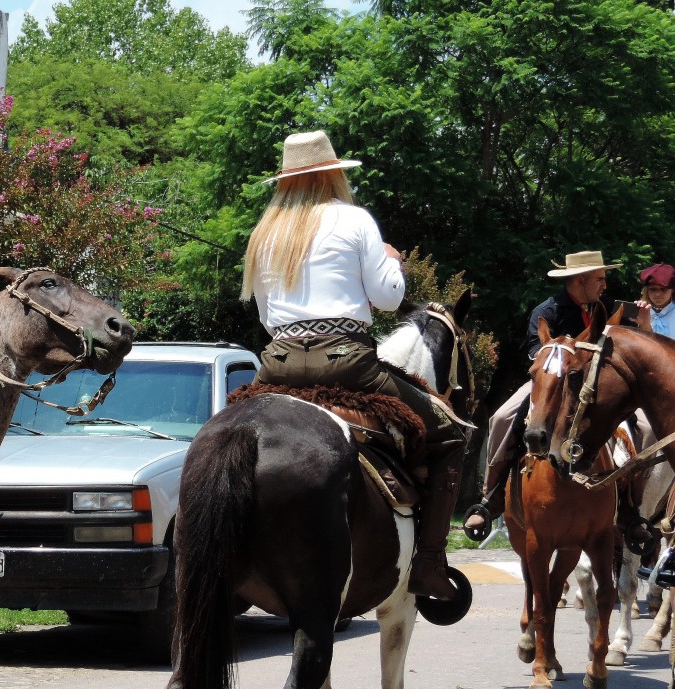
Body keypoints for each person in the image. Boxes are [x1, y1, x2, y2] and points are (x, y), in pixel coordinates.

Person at [241, 130, 469, 601]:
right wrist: (392, 264)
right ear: (331, 173)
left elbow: (266, 320)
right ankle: (428, 564)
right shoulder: (355, 219)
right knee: (448, 432)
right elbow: (389, 300)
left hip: (276, 364)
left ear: (286, 179)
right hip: (349, 365)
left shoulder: (266, 231)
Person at [462, 251, 620, 539]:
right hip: (550, 385)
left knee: (641, 425)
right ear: (581, 280)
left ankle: (633, 511)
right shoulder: (546, 312)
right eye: (600, 279)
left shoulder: (607, 307)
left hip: (598, 388)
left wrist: (644, 316)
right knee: (501, 417)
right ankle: (491, 497)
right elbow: (538, 356)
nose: (604, 285)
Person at [635, 263, 675, 340]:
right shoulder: (637, 312)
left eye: (663, 289)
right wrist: (644, 323)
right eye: (653, 289)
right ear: (646, 290)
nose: (657, 294)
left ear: (672, 290)